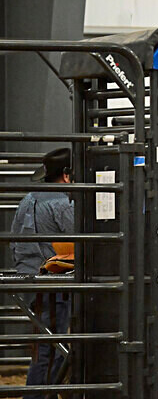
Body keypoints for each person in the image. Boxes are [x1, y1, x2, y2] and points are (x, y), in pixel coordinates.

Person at [9, 148, 74, 398]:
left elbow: (15, 242)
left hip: (30, 279)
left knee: (45, 345)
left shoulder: (28, 199)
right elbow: (79, 240)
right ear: (67, 175)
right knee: (51, 348)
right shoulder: (63, 203)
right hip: (53, 281)